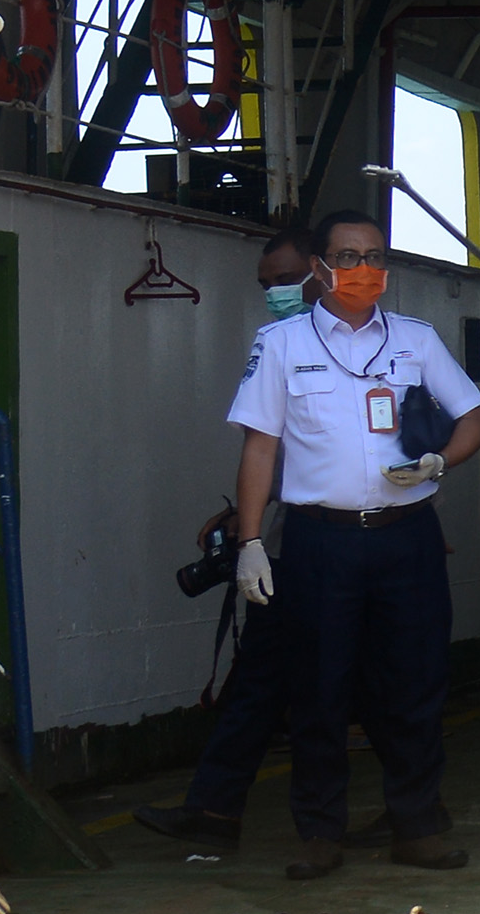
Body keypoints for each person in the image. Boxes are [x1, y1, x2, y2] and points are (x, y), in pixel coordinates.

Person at [219, 210, 480, 884]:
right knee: (319, 688)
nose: (362, 268)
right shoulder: (281, 344)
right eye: (347, 256)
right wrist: (250, 542)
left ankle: (417, 826)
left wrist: (439, 463)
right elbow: (260, 446)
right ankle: (319, 833)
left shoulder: (416, 340)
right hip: (322, 541)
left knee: (415, 684)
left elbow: (475, 420)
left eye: (373, 256)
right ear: (319, 268)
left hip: (407, 537)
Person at [137, 227, 372, 858]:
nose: (276, 294)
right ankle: (215, 809)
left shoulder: (374, 346)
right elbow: (273, 448)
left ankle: (405, 812)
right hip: (291, 548)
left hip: (353, 548)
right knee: (261, 677)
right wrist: (245, 519)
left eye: (286, 280)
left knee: (361, 681)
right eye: (266, 285)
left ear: (322, 271)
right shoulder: (280, 345)